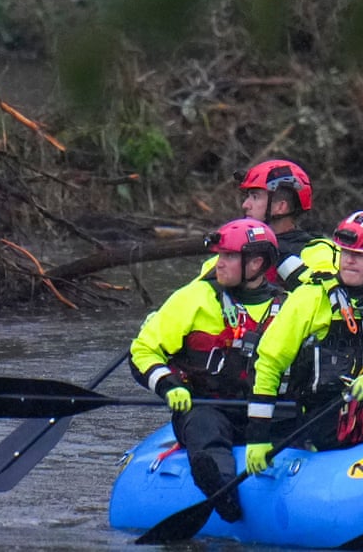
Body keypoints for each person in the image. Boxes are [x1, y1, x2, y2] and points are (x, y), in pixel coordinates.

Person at [244, 211, 363, 473]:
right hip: (325, 415)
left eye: (359, 256)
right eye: (345, 253)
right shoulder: (311, 298)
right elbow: (268, 362)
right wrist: (257, 437)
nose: (348, 261)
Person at [129, 218, 284, 523]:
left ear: (255, 263)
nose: (218, 263)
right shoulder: (194, 298)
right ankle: (221, 490)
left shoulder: (289, 306)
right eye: (219, 255)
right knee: (205, 425)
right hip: (207, 406)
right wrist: (169, 385)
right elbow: (143, 351)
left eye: (228, 257)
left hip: (266, 410)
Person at [199, 159, 336, 289]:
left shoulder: (318, 251)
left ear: (281, 207)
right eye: (248, 197)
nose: (245, 205)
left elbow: (331, 295)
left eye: (255, 197)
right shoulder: (229, 253)